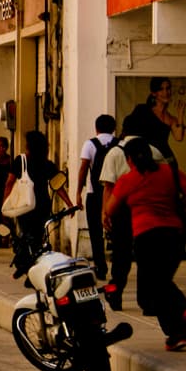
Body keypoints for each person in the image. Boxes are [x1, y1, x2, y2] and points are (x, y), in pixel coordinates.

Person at [105, 138, 186, 351]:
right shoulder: (169, 171)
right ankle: (177, 332)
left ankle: (183, 310)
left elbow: (110, 209)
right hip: (174, 236)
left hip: (147, 237)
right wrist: (176, 206)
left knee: (152, 292)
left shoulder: (128, 180)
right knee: (160, 284)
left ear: (129, 159)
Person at [97, 106, 167, 311]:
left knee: (121, 255)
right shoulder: (154, 151)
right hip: (148, 210)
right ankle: (147, 300)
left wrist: (105, 213)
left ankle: (116, 292)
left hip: (121, 210)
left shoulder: (114, 153)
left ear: (124, 130)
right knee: (147, 257)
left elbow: (108, 187)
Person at [4, 129, 70, 241]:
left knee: (25, 232)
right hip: (42, 204)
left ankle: (24, 249)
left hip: (24, 204)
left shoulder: (20, 161)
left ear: (29, 146)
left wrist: (5, 202)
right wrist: (69, 203)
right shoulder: (47, 164)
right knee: (39, 234)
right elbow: (58, 186)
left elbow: (9, 183)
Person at [75, 114, 118, 278]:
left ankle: (100, 267)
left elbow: (83, 169)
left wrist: (78, 192)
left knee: (95, 232)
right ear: (114, 128)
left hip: (95, 194)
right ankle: (117, 266)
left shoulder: (90, 144)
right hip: (114, 194)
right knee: (116, 231)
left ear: (96, 128)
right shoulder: (119, 145)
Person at [147, 76, 186, 156]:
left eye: (168, 88)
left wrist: (180, 114)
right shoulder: (146, 111)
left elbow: (179, 137)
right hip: (149, 159)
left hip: (166, 158)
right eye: (161, 89)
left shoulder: (171, 118)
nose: (165, 92)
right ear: (154, 93)